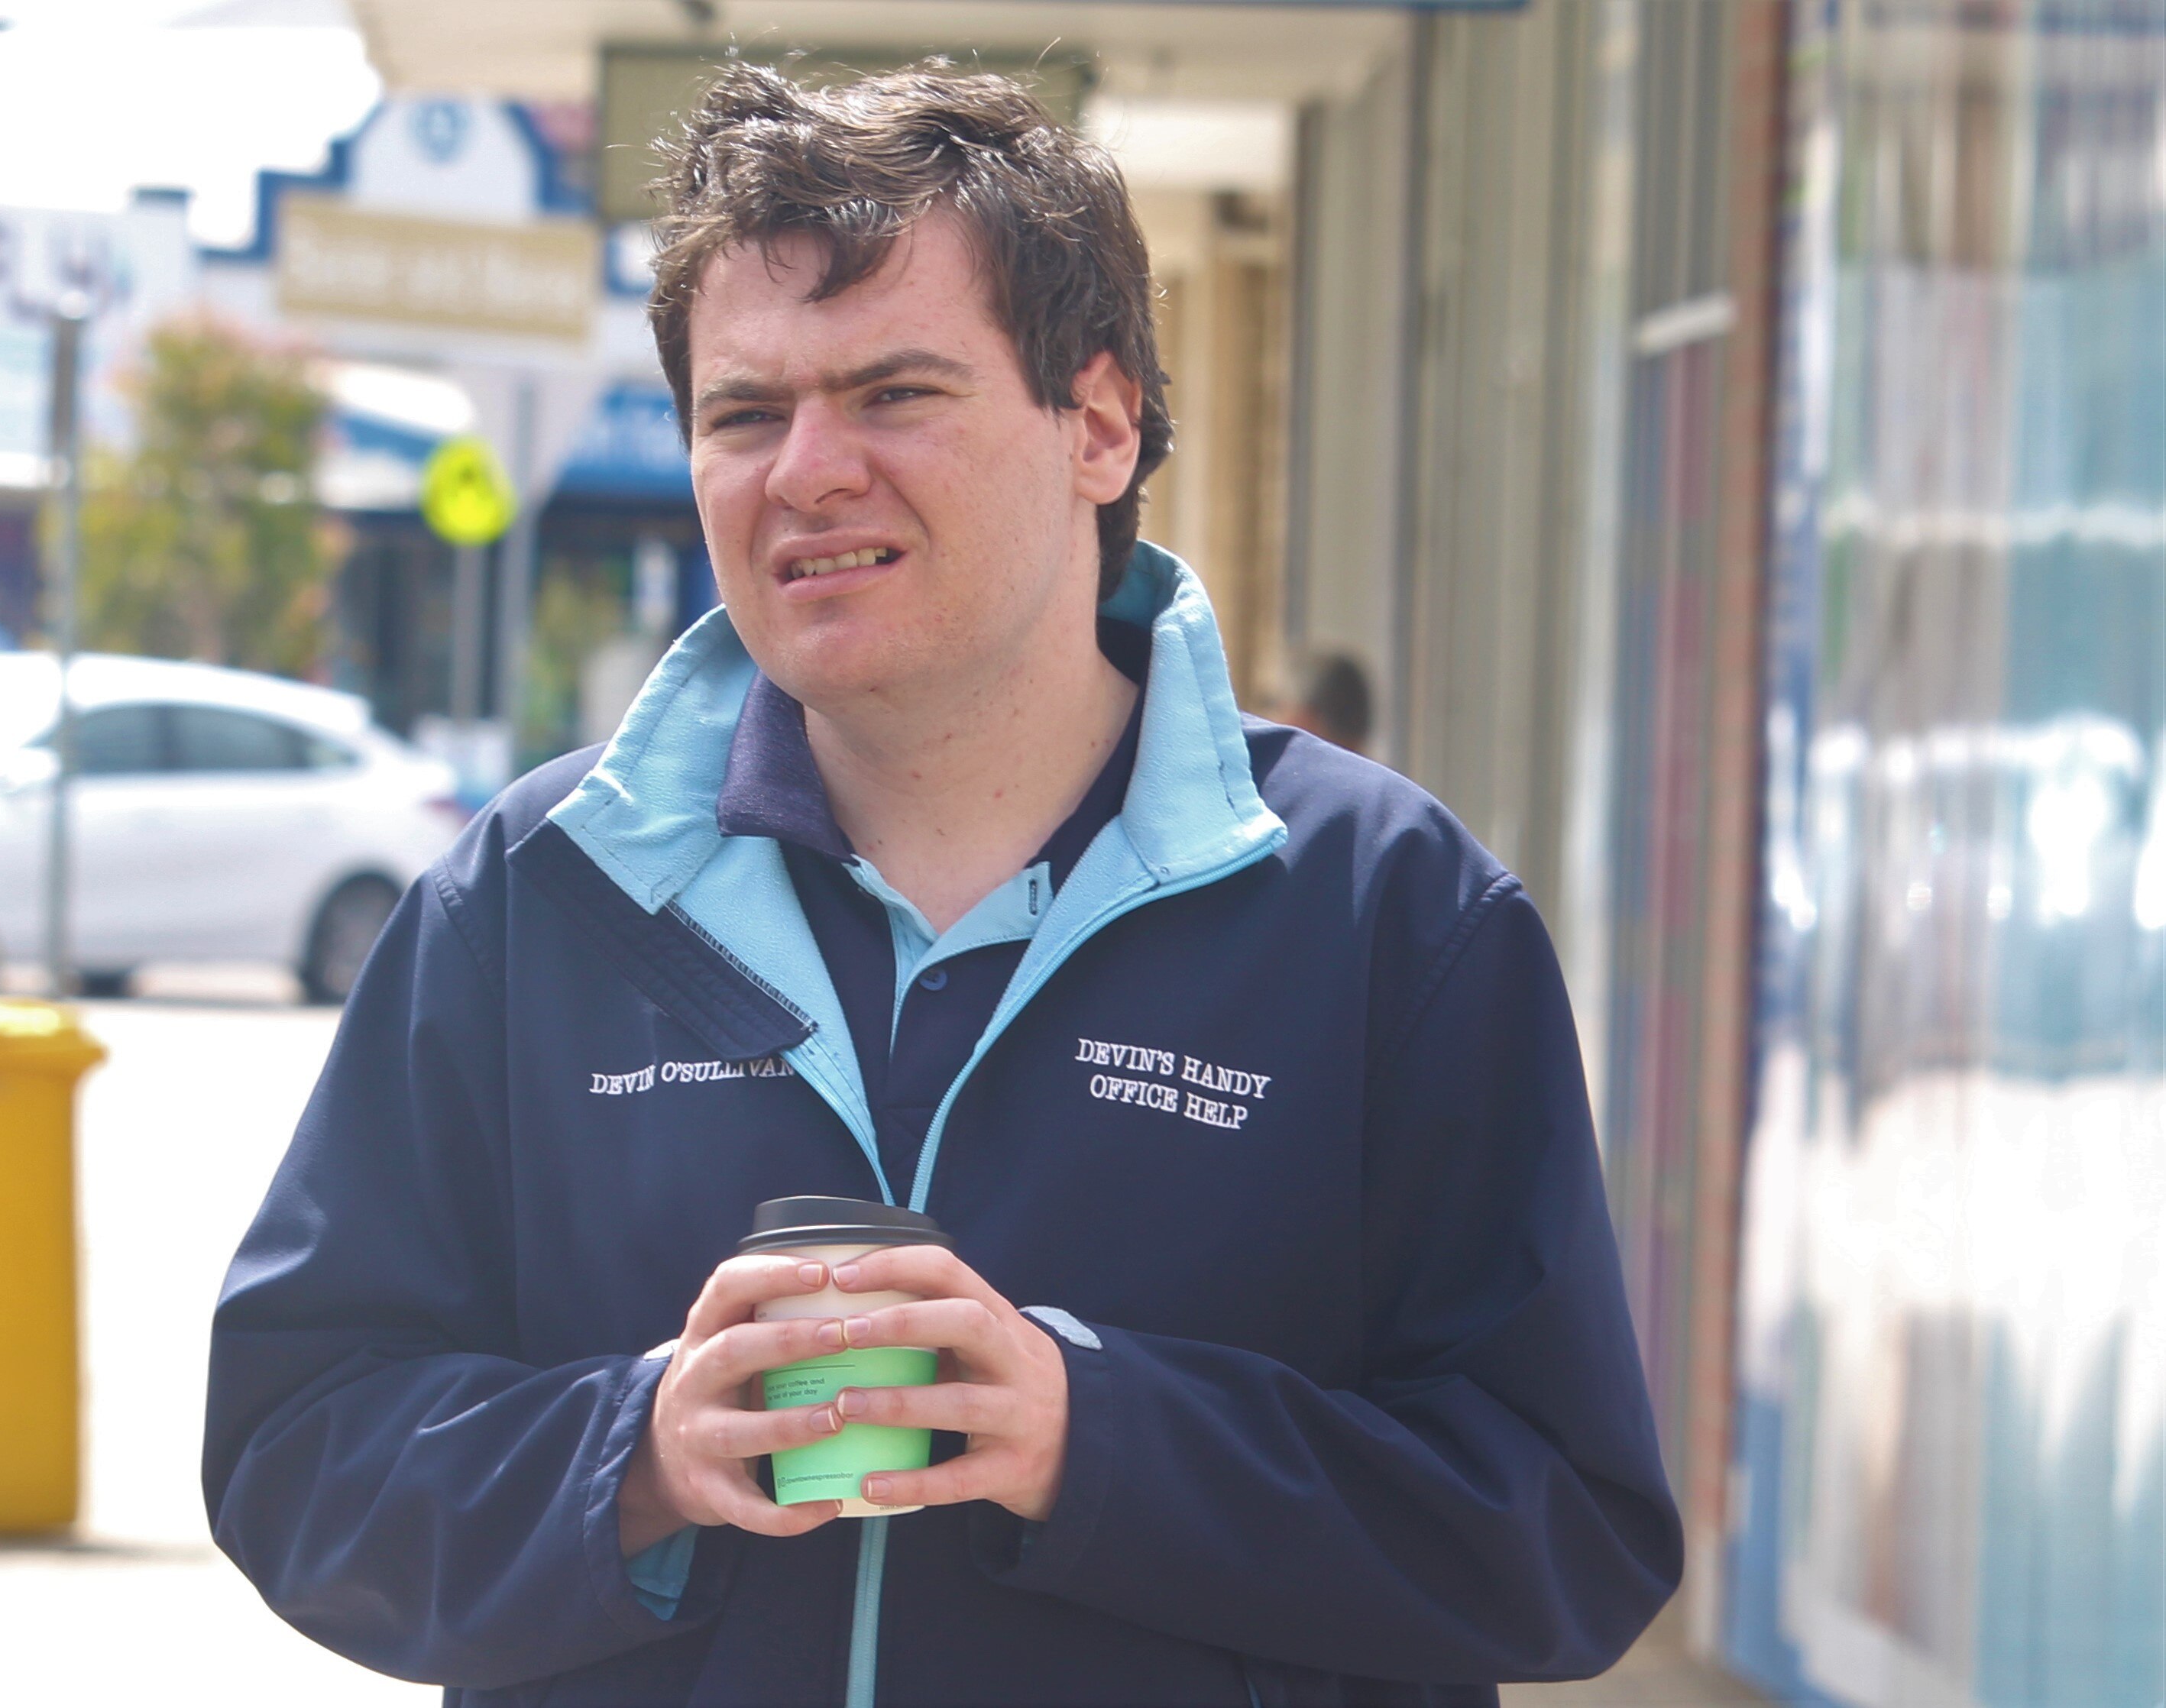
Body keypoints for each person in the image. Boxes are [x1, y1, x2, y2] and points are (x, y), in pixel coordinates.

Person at [205, 63, 1679, 1708]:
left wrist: (1090, 1429)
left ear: (1100, 425)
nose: (808, 470)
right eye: (745, 413)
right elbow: (296, 1447)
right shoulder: (537, 897)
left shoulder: (1385, 910)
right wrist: (632, 1450)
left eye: (894, 391)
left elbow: (1561, 1536)